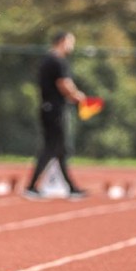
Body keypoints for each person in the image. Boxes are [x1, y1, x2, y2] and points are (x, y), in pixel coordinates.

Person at [23, 31, 88, 199]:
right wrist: (79, 97)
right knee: (52, 148)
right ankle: (31, 187)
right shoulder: (57, 61)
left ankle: (71, 187)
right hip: (55, 110)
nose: (72, 46)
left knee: (59, 149)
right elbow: (64, 85)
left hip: (48, 108)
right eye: (70, 42)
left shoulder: (47, 59)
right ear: (63, 41)